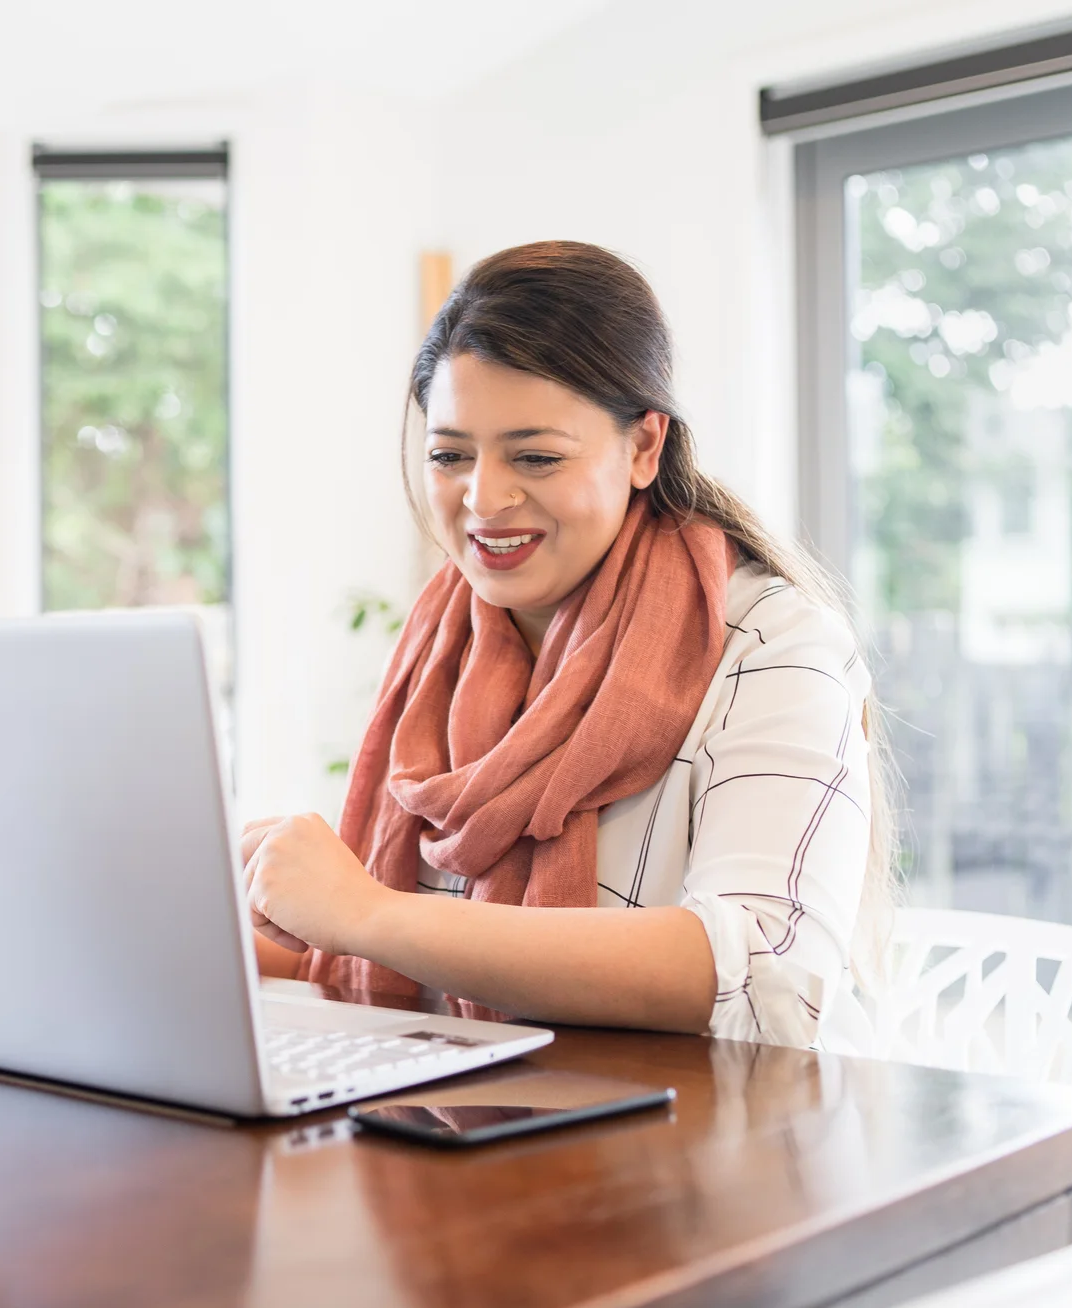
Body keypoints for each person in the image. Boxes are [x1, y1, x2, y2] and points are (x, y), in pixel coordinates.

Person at [242, 241, 890, 1048]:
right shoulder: (439, 647)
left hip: (734, 1141)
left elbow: (769, 977)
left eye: (536, 456)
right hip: (493, 1129)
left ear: (644, 448)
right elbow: (431, 969)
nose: (483, 498)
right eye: (449, 455)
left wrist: (366, 913)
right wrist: (265, 923)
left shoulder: (772, 643)